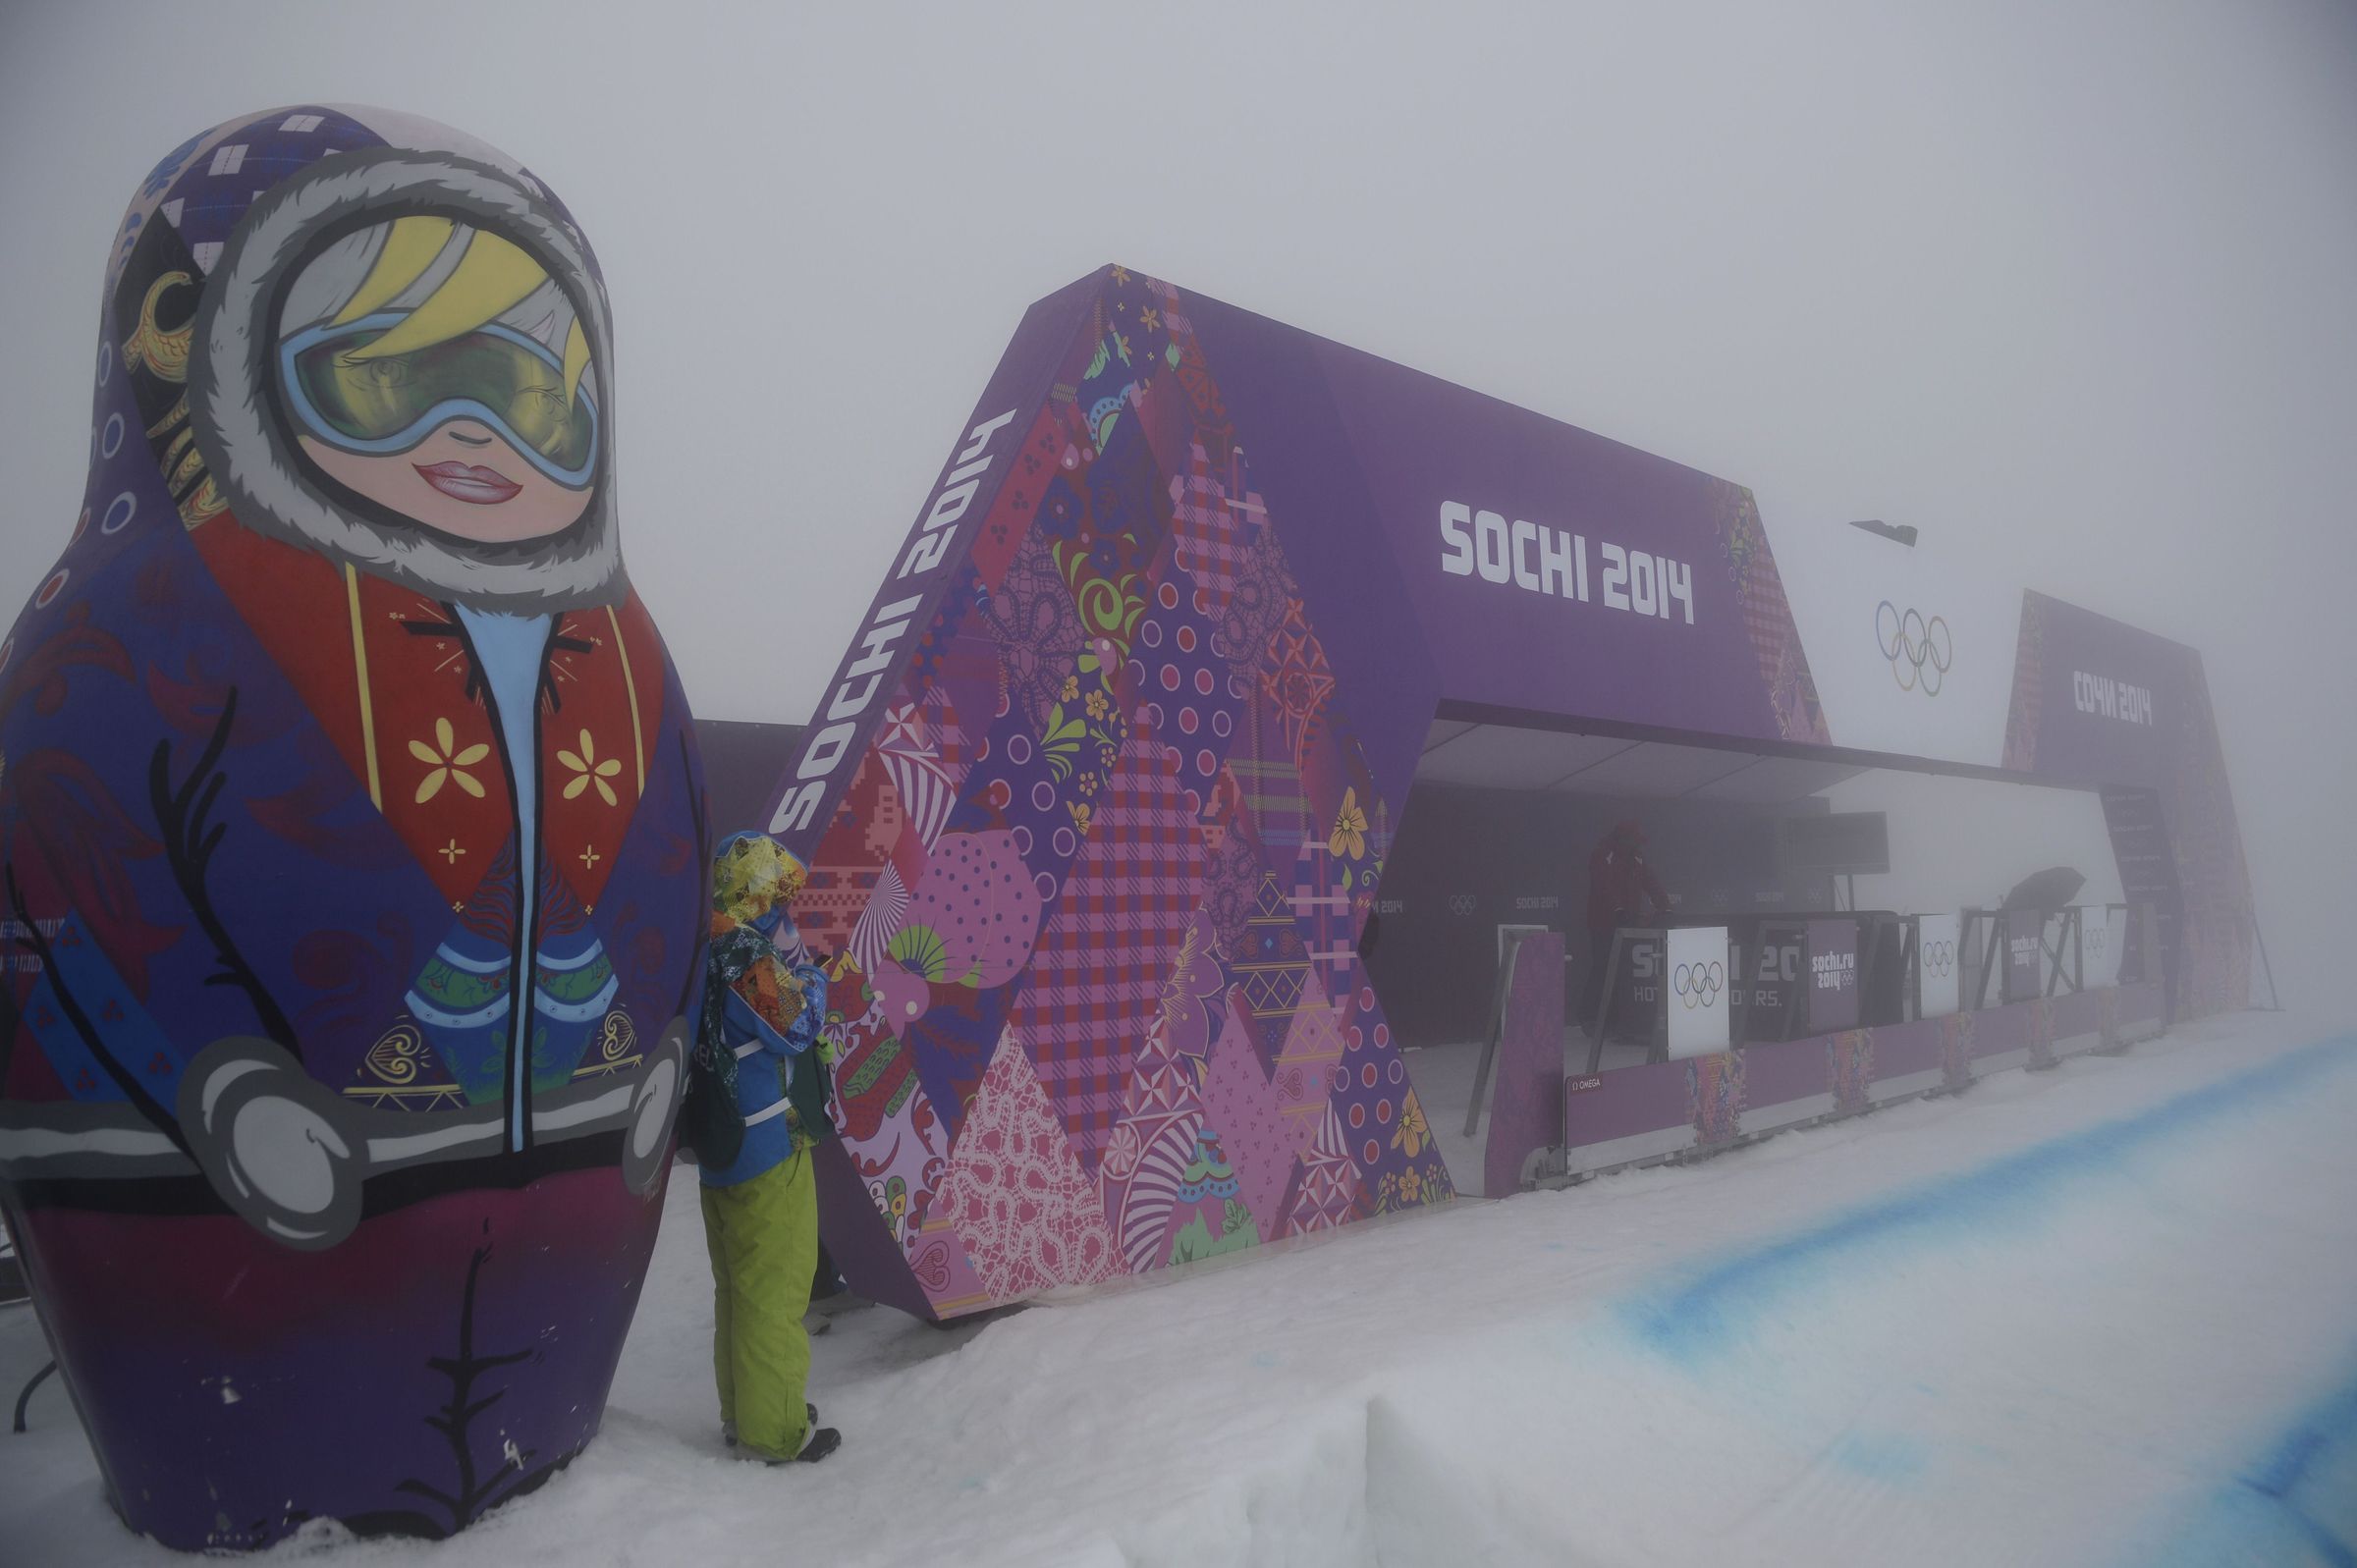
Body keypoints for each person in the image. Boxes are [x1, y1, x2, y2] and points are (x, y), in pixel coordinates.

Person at [695, 833, 842, 1464]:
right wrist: (810, 975)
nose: (784, 905)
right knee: (777, 1294)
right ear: (755, 894)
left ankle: (745, 1414)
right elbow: (797, 1023)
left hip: (721, 1149)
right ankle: (777, 1432)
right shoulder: (741, 951)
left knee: (738, 1290)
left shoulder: (698, 946)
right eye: (777, 893)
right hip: (768, 1144)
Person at [1582, 820, 1669, 1031]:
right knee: (1602, 967)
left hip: (1628, 924)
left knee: (1624, 971)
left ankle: (1616, 1018)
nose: (1637, 846)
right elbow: (1604, 886)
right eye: (1634, 841)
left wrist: (1665, 906)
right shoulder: (1602, 854)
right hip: (1604, 923)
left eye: (1638, 842)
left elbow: (1651, 881)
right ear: (1623, 839)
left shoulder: (1636, 857)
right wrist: (1617, 909)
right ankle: (1589, 1018)